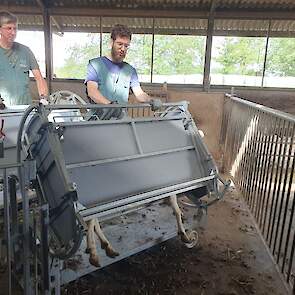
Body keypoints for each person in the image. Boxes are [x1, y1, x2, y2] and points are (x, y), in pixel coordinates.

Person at [85, 24, 161, 119]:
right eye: (120, 44)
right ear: (111, 42)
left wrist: (151, 100)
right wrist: (110, 106)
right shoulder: (95, 64)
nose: (123, 49)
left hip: (120, 119)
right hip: (96, 119)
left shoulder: (130, 70)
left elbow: (139, 94)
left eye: (126, 46)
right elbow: (92, 91)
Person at [0, 11, 48, 107]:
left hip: (24, 108)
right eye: (9, 28)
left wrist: (44, 98)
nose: (13, 32)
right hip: (3, 109)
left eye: (15, 29)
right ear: (0, 30)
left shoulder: (25, 51)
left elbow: (39, 78)